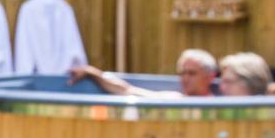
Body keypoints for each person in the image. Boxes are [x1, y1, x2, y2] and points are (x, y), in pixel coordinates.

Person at [69, 48, 216, 97]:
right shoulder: (175, 100)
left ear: (210, 76)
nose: (185, 78)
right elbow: (126, 90)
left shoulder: (222, 106)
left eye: (191, 73)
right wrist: (92, 73)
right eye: (182, 73)